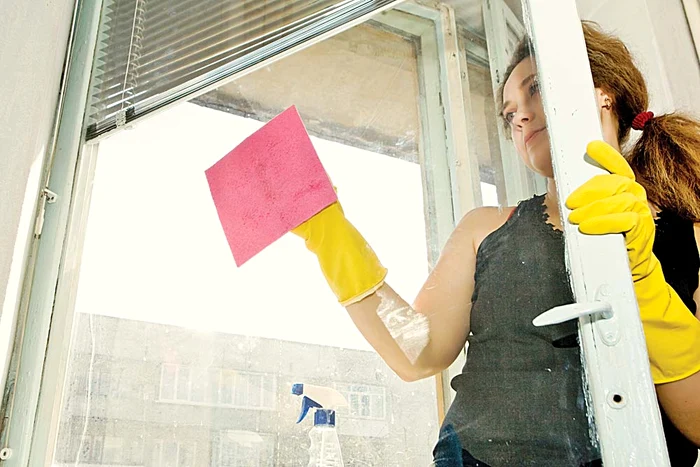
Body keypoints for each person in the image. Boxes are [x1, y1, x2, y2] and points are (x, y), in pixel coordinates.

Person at [291, 21, 700, 466]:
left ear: (603, 93)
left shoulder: (690, 226)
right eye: (509, 113)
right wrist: (330, 235)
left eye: (535, 89)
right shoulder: (484, 228)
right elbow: (418, 352)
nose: (520, 117)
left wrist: (640, 277)